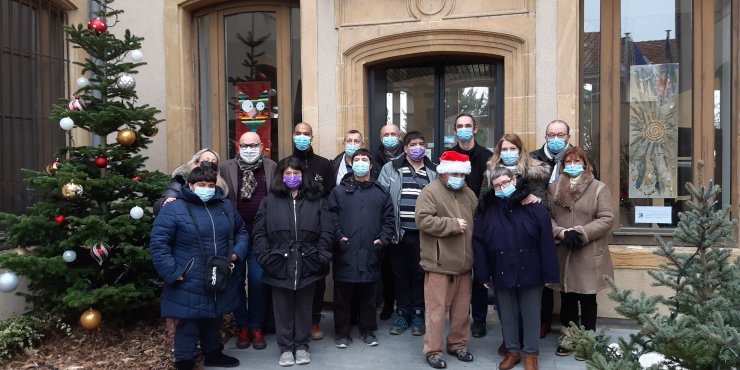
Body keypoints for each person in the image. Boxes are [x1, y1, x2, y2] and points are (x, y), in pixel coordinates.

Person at [150, 166, 248, 370]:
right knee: (189, 320)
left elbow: (241, 232)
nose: (206, 189)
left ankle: (213, 353)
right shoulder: (174, 208)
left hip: (218, 272)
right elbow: (159, 244)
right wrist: (173, 271)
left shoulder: (225, 206)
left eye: (210, 185)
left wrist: (236, 253)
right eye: (201, 185)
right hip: (188, 275)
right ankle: (184, 359)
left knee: (214, 314)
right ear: (191, 186)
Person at [473, 167, 559, 370]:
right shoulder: (487, 210)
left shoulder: (534, 207)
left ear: (514, 180)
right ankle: (512, 351)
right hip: (501, 268)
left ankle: (531, 355)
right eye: (496, 185)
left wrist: (549, 273)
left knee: (531, 315)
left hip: (531, 269)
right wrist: (483, 273)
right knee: (508, 315)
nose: (501, 187)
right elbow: (479, 242)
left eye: (505, 182)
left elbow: (546, 241)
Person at [252, 156, 333, 367]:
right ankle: (286, 348)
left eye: (296, 173)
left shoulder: (317, 200)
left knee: (305, 308)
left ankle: (302, 346)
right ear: (281, 176)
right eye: (287, 173)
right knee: (283, 309)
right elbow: (259, 233)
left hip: (309, 261)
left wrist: (322, 255)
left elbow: (326, 231)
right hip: (279, 262)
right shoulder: (269, 201)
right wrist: (265, 257)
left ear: (303, 175)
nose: (292, 177)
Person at [548, 146, 614, 358]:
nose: (573, 166)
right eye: (568, 162)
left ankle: (588, 340)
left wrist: (582, 233)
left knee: (587, 299)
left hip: (588, 252)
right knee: (567, 299)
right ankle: (569, 337)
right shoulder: (554, 188)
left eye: (577, 162)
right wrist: (559, 232)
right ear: (563, 165)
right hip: (564, 251)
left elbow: (606, 218)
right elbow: (546, 217)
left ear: (585, 164)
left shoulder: (598, 188)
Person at [415, 151, 478, 369]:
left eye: (460, 174)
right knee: (436, 312)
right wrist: (451, 225)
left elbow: (478, 219)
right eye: (452, 173)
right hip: (439, 265)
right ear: (443, 172)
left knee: (461, 311)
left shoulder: (468, 194)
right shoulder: (430, 192)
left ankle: (457, 344)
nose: (457, 177)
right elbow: (422, 220)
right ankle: (432, 350)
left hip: (464, 266)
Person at [327, 148, 395, 349]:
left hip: (371, 251)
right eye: (357, 159)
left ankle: (368, 330)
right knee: (342, 297)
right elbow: (330, 217)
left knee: (368, 296)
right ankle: (342, 333)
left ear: (371, 165)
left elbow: (389, 220)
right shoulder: (338, 191)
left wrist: (382, 240)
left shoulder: (380, 192)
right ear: (351, 163)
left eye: (364, 159)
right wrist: (339, 237)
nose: (360, 162)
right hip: (345, 251)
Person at [220, 132, 277, 350]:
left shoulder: (271, 167)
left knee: (258, 282)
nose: (249, 149)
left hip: (262, 236)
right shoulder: (225, 168)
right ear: (238, 146)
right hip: (234, 237)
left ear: (262, 146)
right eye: (245, 145)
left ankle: (256, 326)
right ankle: (242, 325)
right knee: (234, 284)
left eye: (253, 145)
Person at [378, 131, 437, 337]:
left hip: (424, 234)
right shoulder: (390, 168)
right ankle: (402, 313)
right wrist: (387, 230)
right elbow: (382, 201)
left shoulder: (433, 171)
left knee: (421, 275)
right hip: (399, 233)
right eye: (413, 144)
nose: (417, 147)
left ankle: (419, 314)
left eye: (421, 143)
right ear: (405, 148)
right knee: (400, 274)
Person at [447, 113, 493, 338]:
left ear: (475, 129)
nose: (463, 129)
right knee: (458, 273)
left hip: (482, 222)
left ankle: (480, 320)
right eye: (459, 126)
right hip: (456, 221)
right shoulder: (447, 157)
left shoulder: (488, 157)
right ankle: (459, 317)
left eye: (468, 126)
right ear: (454, 131)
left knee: (480, 274)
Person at [289, 121, 334, 341]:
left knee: (317, 278)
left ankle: (314, 320)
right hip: (292, 230)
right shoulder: (286, 164)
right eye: (298, 133)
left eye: (306, 134)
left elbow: (331, 196)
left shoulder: (324, 164)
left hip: (316, 231)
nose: (302, 137)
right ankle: (295, 322)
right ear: (292, 136)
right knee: (292, 277)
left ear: (312, 137)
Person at [529, 119, 572, 339]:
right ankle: (543, 320)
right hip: (539, 226)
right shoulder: (533, 159)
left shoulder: (576, 158)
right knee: (543, 278)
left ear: (568, 137)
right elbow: (526, 190)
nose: (556, 139)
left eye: (561, 135)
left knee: (567, 278)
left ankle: (567, 325)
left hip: (568, 226)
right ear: (545, 137)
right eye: (552, 135)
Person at [371, 123, 404, 320]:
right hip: (380, 223)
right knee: (385, 269)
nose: (390, 137)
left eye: (393, 134)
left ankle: (405, 306)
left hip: (402, 223)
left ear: (400, 137)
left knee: (402, 269)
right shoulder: (373, 160)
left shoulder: (406, 158)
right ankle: (387, 303)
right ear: (380, 137)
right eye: (386, 134)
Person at [153, 149, 228, 215]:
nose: (209, 164)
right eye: (206, 160)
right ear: (196, 162)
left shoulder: (219, 186)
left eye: (213, 162)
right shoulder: (181, 179)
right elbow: (160, 207)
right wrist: (164, 202)